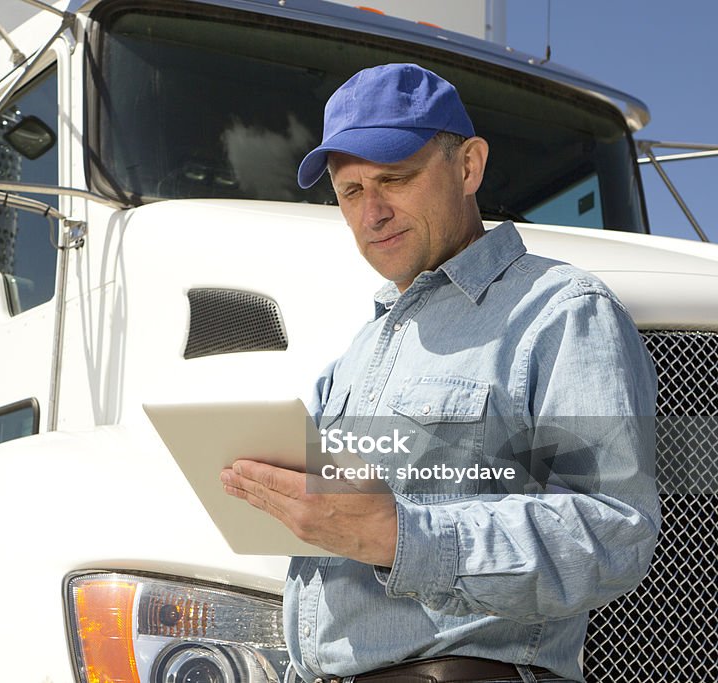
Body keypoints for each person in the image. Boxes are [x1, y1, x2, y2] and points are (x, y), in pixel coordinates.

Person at [220, 63, 659, 683]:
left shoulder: (558, 314)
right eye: (350, 192)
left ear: (469, 166)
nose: (372, 213)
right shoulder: (353, 357)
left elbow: (609, 529)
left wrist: (400, 537)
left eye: (394, 179)